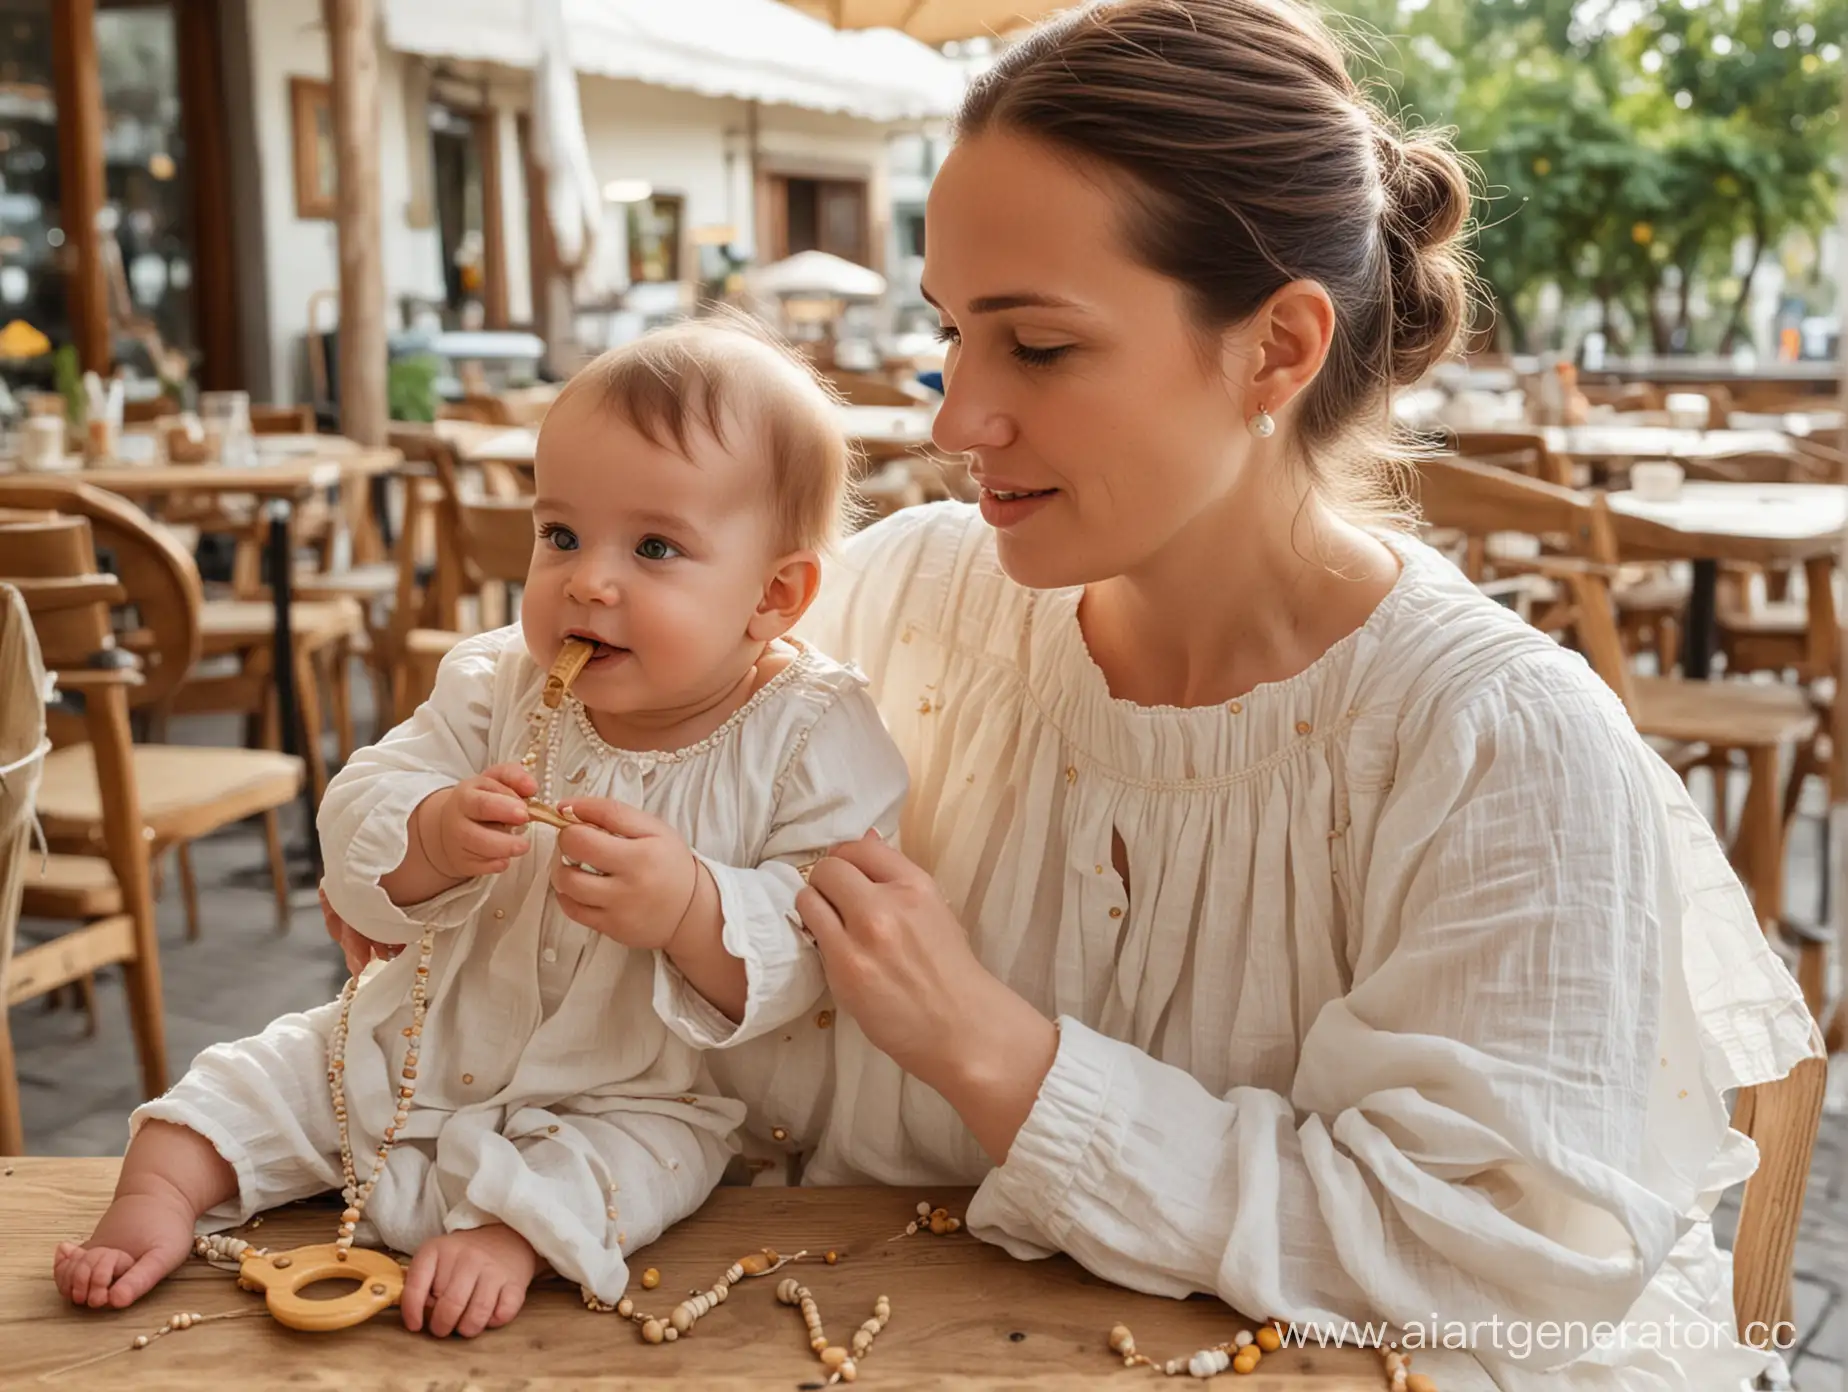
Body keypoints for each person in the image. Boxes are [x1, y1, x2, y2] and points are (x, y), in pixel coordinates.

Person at [711, 3, 1817, 1388]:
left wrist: (997, 1053)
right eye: (949, 333)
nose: (955, 417)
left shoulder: (1489, 743)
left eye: (1038, 347)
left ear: (1280, 349)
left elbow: (1481, 1266)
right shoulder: (901, 608)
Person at [55, 320, 908, 1338]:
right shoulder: (496, 680)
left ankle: (511, 1234)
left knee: (648, 1163)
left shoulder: (811, 729)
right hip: (422, 1029)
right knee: (257, 1076)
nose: (589, 580)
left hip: (633, 1086)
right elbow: (368, 794)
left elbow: (820, 940)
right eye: (560, 537)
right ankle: (155, 1202)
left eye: (653, 547)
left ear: (774, 595)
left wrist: (690, 905)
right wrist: (430, 834)